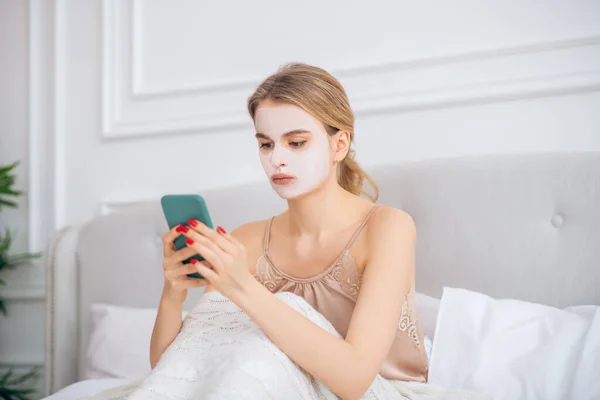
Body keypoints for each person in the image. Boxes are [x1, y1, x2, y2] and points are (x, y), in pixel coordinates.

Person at [86, 63, 483, 400]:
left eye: (296, 142)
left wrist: (242, 286)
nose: (277, 159)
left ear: (339, 144)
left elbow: (354, 379)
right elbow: (180, 373)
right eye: (265, 144)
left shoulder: (388, 228)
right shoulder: (247, 240)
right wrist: (173, 294)